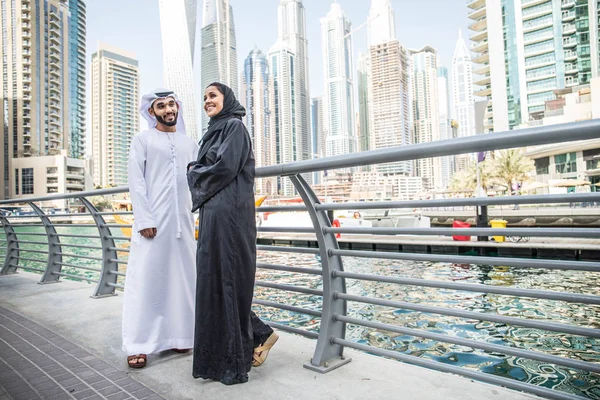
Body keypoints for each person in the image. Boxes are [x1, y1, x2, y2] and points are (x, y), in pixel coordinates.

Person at [187, 82, 278, 385]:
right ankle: (256, 338)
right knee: (213, 281)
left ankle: (236, 357)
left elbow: (224, 168)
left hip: (231, 219)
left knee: (227, 281)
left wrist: (193, 170)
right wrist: (199, 169)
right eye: (204, 97)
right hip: (214, 216)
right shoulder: (215, 130)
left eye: (212, 95)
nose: (207, 101)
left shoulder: (234, 128)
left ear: (227, 98)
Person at [122, 89, 199, 368]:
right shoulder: (142, 140)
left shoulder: (190, 143)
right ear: (151, 112)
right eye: (161, 106)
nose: (168, 109)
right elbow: (136, 181)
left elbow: (198, 181)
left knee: (183, 281)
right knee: (146, 280)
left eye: (171, 104)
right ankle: (138, 344)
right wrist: (144, 219)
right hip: (152, 223)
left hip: (184, 222)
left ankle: (180, 336)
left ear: (177, 108)